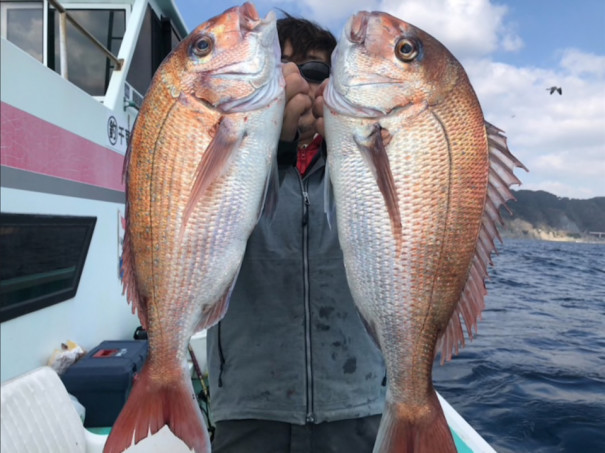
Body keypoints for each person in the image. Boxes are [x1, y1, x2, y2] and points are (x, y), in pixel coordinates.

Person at [206, 14, 386, 452]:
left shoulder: (369, 173)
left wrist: (354, 148)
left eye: (315, 72)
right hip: (249, 408)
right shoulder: (223, 162)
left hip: (358, 405)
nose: (296, 82)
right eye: (280, 67)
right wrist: (273, 154)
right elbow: (201, 238)